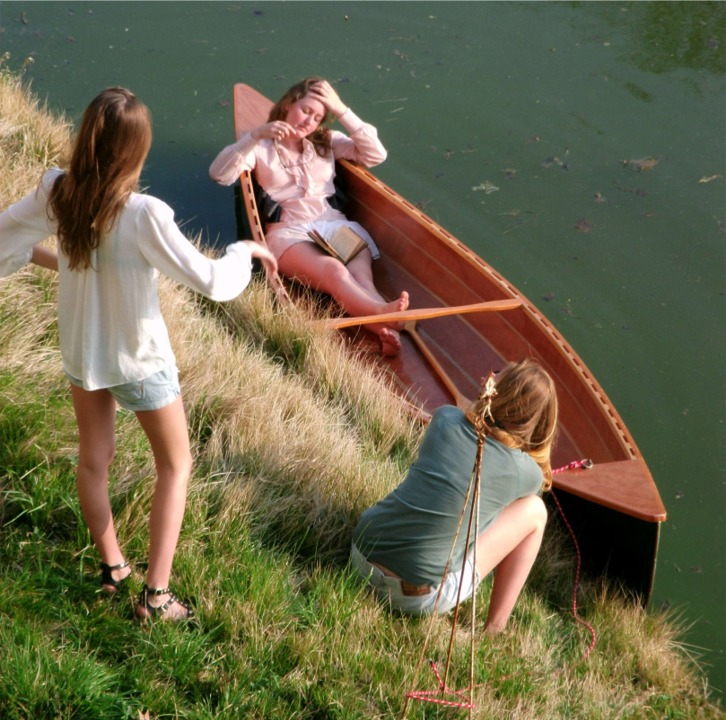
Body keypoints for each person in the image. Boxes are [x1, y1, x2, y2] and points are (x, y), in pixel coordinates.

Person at [0, 87, 277, 621]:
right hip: (140, 360)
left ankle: (113, 569)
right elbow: (212, 282)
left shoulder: (58, 191)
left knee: (92, 461)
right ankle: (157, 597)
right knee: (176, 465)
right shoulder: (144, 212)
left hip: (84, 353)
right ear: (136, 150)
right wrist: (244, 251)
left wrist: (62, 266)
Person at [351, 359, 557, 631]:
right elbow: (528, 479)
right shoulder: (527, 474)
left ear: (494, 389)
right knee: (535, 512)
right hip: (413, 598)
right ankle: (494, 629)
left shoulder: (445, 418)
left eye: (496, 374)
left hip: (359, 556)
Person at [209, 76, 409, 356]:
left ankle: (384, 328)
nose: (309, 121)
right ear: (289, 104)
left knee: (362, 278)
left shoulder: (326, 141)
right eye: (305, 111)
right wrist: (253, 136)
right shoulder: (261, 146)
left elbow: (376, 155)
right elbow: (219, 174)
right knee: (335, 272)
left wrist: (341, 109)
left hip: (333, 223)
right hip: (289, 232)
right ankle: (385, 317)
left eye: (317, 117)